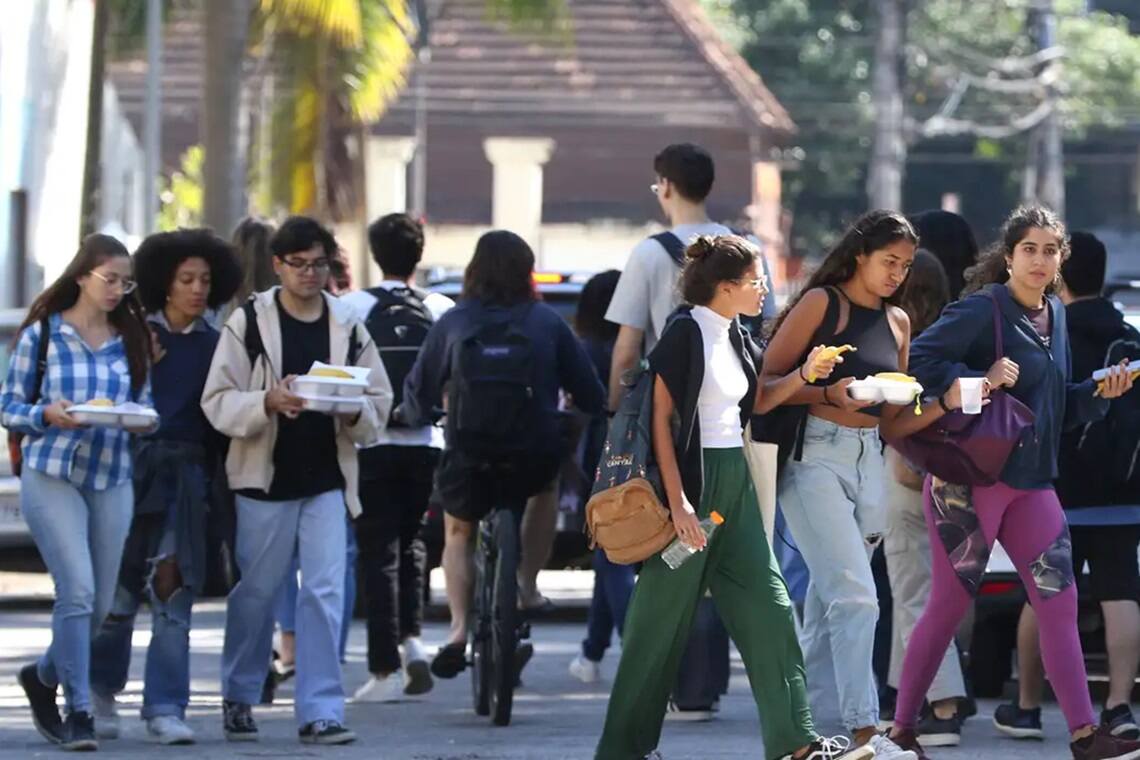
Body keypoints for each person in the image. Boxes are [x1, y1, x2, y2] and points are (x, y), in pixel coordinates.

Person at [595, 234, 870, 760]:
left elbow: (760, 398)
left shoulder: (738, 334)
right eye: (755, 281)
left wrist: (805, 377)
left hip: (734, 487)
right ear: (725, 287)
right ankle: (621, 751)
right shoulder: (684, 334)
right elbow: (660, 422)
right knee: (656, 628)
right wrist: (678, 505)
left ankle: (797, 744)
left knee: (770, 609)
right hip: (692, 488)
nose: (763, 288)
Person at [886, 206, 1139, 760]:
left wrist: (1101, 395)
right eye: (1030, 249)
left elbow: (1057, 409)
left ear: (1061, 261)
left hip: (1031, 484)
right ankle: (901, 729)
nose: (1040, 260)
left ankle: (1082, 733)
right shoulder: (983, 309)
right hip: (968, 482)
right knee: (948, 608)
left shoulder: (1057, 316)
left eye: (1051, 251)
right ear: (1009, 255)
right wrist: (979, 380)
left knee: (1060, 600)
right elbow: (921, 362)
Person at [201, 216, 393, 746]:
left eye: (320, 264)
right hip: (264, 478)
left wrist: (351, 412)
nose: (311, 275)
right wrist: (267, 400)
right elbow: (217, 401)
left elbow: (379, 401)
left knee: (325, 593)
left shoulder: (348, 324)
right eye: (300, 265)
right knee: (257, 593)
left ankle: (321, 710)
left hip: (328, 479)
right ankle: (239, 695)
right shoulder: (251, 322)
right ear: (279, 265)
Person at [400, 230, 605, 679]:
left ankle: (457, 631)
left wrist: (413, 412)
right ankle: (527, 587)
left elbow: (418, 390)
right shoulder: (546, 322)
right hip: (532, 451)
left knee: (458, 532)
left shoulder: (454, 321)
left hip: (469, 450)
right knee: (546, 487)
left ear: (474, 270)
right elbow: (590, 391)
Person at [761, 209, 921, 758]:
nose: (897, 273)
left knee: (830, 606)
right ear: (860, 255)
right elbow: (765, 386)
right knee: (857, 597)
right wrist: (831, 393)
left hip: (870, 460)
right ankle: (866, 731)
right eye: (888, 261)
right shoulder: (821, 304)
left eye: (905, 265)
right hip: (814, 458)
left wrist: (950, 406)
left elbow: (897, 419)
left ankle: (799, 730)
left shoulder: (899, 322)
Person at [605, 142, 756, 719]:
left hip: (667, 423)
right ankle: (705, 684)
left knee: (666, 551)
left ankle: (672, 684)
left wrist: (618, 414)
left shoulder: (647, 254)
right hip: (727, 426)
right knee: (718, 552)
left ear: (665, 186)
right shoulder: (747, 249)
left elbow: (626, 346)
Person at [87, 229, 241, 746]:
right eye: (186, 279)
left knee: (174, 592)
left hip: (188, 477)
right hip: (131, 469)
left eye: (205, 280)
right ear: (164, 283)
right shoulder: (130, 336)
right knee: (120, 591)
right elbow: (103, 401)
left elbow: (222, 418)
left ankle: (165, 706)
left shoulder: (219, 345)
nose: (197, 289)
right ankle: (99, 692)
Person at [3, 234, 155, 751]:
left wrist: (139, 421)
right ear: (82, 276)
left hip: (111, 474)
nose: (117, 290)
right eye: (109, 279)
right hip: (53, 474)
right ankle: (79, 709)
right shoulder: (43, 336)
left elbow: (145, 406)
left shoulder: (130, 338)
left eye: (125, 282)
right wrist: (45, 415)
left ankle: (43, 676)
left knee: (99, 604)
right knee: (79, 591)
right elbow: (9, 406)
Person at [994, 231, 1140, 742]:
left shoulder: (1048, 334)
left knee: (1045, 596)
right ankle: (1120, 705)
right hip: (1123, 493)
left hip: (1054, 490)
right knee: (1122, 594)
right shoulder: (1130, 340)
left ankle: (1029, 705)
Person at [340, 213, 454, 702]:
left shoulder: (351, 307)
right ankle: (413, 643)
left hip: (371, 441)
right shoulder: (441, 306)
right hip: (428, 441)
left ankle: (383, 669)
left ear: (374, 254)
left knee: (376, 551)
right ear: (419, 255)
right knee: (413, 545)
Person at [878, 250, 965, 746]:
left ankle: (945, 704)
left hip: (903, 475)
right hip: (954, 480)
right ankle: (901, 693)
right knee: (933, 590)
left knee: (913, 594)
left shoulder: (899, 341)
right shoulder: (957, 342)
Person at [565, 270, 633, 684]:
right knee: (607, 554)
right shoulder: (638, 346)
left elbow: (574, 413)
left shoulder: (585, 350)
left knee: (611, 556)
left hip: (597, 460)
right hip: (642, 457)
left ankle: (634, 644)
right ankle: (591, 651)